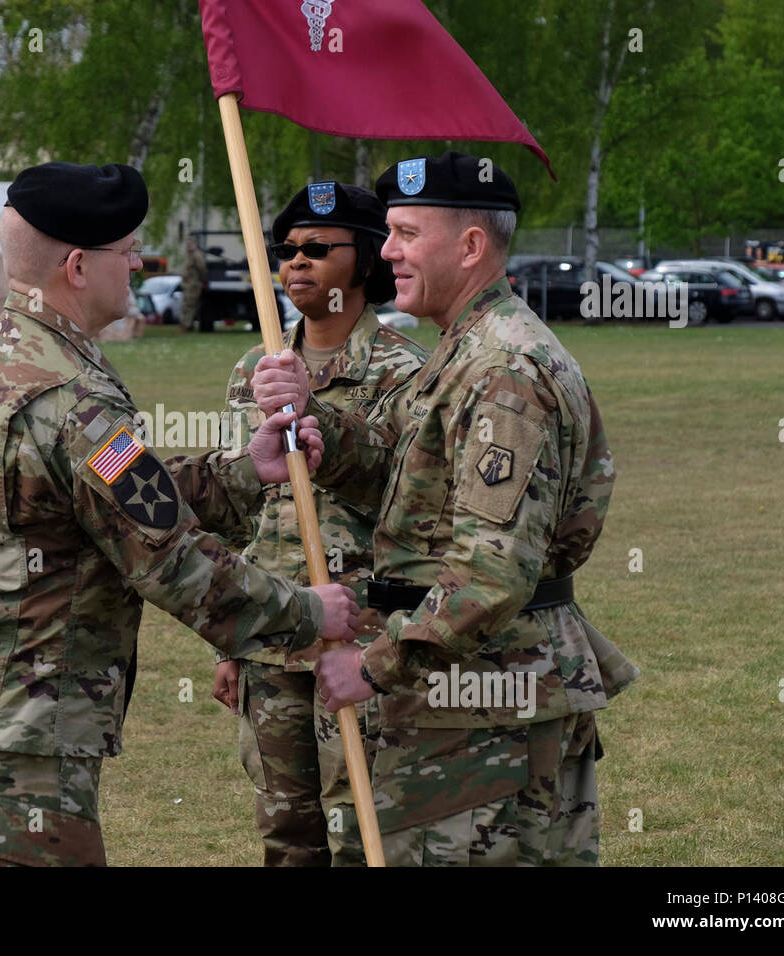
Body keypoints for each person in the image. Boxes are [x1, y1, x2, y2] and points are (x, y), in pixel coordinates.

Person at [0, 161, 362, 867]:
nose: (138, 262)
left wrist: (241, 470)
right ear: (77, 266)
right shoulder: (73, 397)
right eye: (127, 250)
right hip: (17, 733)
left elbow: (97, 505)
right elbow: (171, 562)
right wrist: (308, 613)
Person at [253, 151, 639, 866]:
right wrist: (319, 434)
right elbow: (412, 480)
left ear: (470, 246)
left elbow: (492, 576)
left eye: (404, 233)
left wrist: (376, 664)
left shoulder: (503, 369)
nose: (387, 251)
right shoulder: (462, 351)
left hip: (485, 706)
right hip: (468, 697)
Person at [207, 181, 429, 866]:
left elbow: (409, 502)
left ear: (364, 263)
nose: (296, 263)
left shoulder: (405, 374)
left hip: (356, 638)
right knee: (286, 832)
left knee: (361, 829)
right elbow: (239, 507)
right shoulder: (258, 369)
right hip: (272, 635)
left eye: (316, 249)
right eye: (286, 250)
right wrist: (227, 636)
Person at [180, 235, 208, 329]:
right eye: (188, 244)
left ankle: (186, 326)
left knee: (189, 306)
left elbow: (202, 269)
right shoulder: (191, 255)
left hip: (193, 285)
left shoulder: (197, 255)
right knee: (187, 305)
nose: (189, 246)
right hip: (189, 285)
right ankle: (186, 325)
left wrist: (203, 280)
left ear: (195, 245)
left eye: (191, 244)